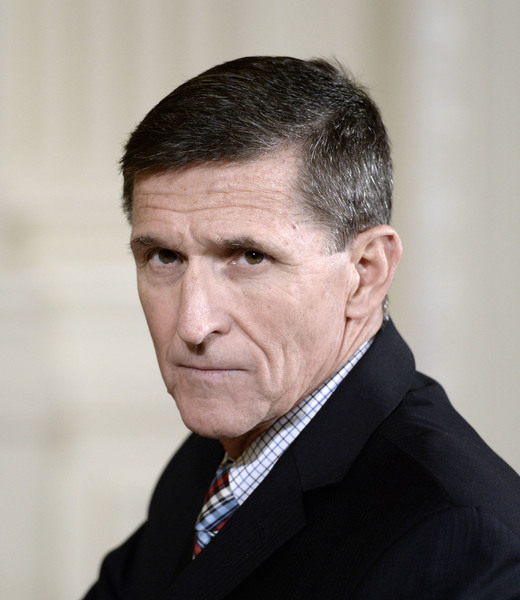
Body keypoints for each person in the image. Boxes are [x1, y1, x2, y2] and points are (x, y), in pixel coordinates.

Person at [83, 56, 520, 599]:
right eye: (164, 257)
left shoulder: (461, 537)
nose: (193, 325)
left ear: (366, 273)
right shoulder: (213, 457)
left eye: (249, 257)